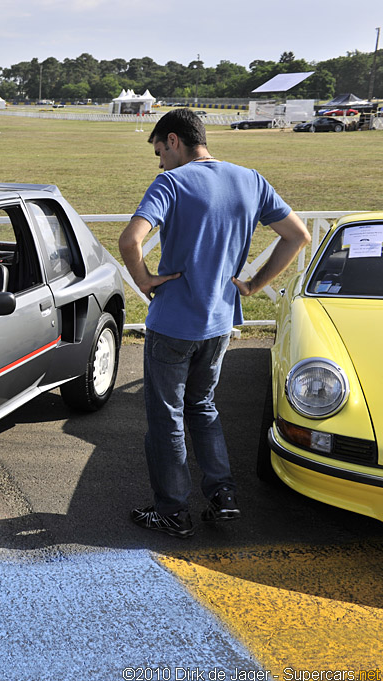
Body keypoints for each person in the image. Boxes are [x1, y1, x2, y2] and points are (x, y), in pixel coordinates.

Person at [118, 108, 310, 538]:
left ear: (173, 140)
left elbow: (130, 240)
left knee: (167, 416)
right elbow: (299, 235)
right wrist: (255, 284)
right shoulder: (250, 179)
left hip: (173, 324)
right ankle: (222, 496)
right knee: (203, 407)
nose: (159, 162)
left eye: (158, 152)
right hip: (221, 322)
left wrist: (145, 280)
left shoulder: (172, 182)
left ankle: (172, 510)